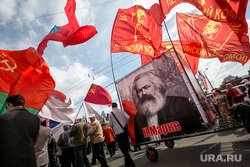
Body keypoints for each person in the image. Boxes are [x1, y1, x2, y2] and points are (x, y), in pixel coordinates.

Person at [131, 71, 204, 143]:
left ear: (157, 86)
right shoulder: (138, 117)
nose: (144, 93)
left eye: (146, 87)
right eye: (139, 90)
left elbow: (197, 132)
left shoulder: (179, 103)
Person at [0, 94, 40, 167]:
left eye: (6, 107)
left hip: (6, 160)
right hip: (28, 160)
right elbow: (34, 139)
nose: (7, 109)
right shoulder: (35, 119)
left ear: (10, 104)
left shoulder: (2, 118)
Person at [109, 102, 136, 167]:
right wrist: (125, 124)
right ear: (117, 106)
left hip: (118, 133)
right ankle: (128, 165)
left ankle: (132, 165)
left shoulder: (111, 114)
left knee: (124, 150)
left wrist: (114, 127)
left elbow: (110, 125)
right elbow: (128, 117)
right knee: (126, 149)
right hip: (124, 131)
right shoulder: (121, 111)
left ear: (112, 107)